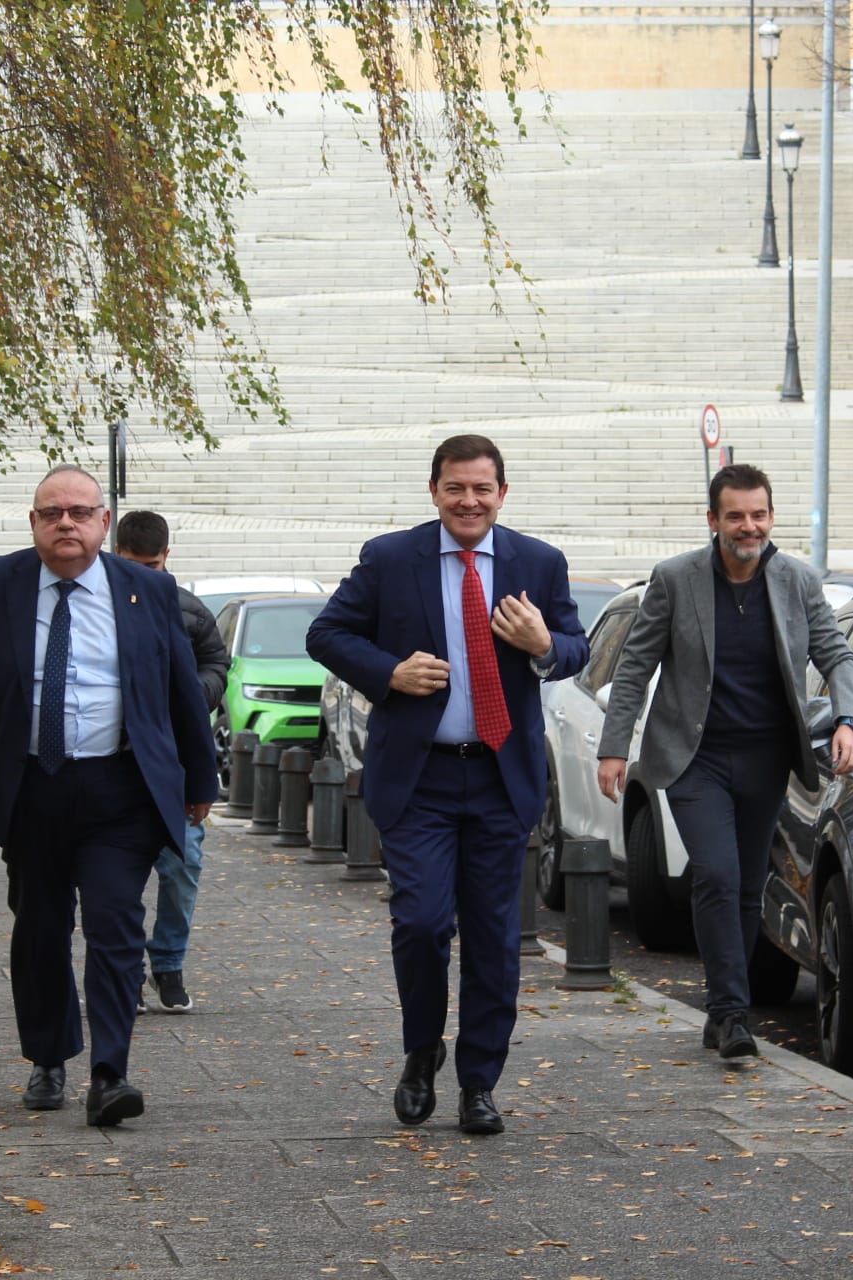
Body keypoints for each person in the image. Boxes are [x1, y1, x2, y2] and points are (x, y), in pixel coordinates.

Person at [0, 464, 218, 1127]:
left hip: (119, 789)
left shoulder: (146, 592)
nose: (67, 523)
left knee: (114, 922)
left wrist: (199, 780)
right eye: (52, 513)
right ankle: (48, 1058)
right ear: (33, 523)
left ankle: (110, 1074)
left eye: (80, 512)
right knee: (42, 926)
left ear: (105, 522)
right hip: (30, 787)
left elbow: (181, 688)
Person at [307, 433, 588, 1135]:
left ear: (502, 494)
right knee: (423, 923)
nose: (469, 501)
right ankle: (420, 1048)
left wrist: (544, 646)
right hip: (420, 777)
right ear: (434, 491)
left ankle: (479, 1083)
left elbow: (576, 649)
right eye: (456, 488)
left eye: (482, 489)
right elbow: (327, 634)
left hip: (500, 776)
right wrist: (389, 672)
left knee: (494, 939)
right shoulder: (391, 558)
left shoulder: (538, 563)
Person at [594, 464, 853, 1060]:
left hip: (767, 758)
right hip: (696, 758)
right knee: (715, 874)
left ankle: (725, 1011)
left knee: (746, 885)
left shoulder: (796, 580)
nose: (750, 526)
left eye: (759, 514)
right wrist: (614, 748)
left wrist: (850, 719)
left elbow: (839, 656)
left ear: (771, 517)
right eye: (736, 516)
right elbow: (635, 666)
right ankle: (731, 1014)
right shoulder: (674, 579)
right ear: (713, 520)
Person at [113, 509, 230, 1015]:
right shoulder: (100, 605)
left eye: (153, 565)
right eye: (134, 563)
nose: (145, 573)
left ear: (167, 558)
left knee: (184, 867)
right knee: (118, 876)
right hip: (117, 763)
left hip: (177, 761)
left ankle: (169, 964)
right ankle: (129, 970)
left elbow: (217, 665)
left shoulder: (190, 610)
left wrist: (190, 694)